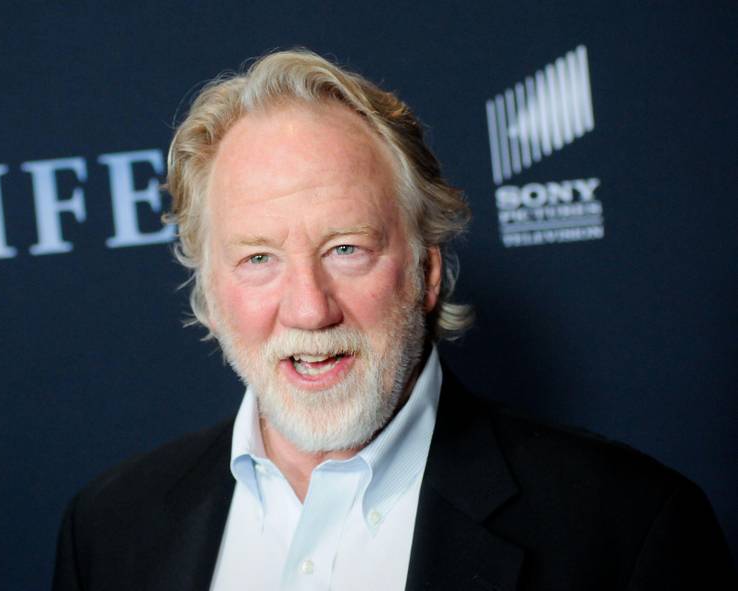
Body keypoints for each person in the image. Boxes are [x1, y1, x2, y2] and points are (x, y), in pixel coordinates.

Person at [52, 49, 735, 590]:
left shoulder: (628, 528)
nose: (309, 308)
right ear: (209, 289)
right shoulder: (108, 529)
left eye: (345, 249)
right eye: (258, 257)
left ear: (427, 270)